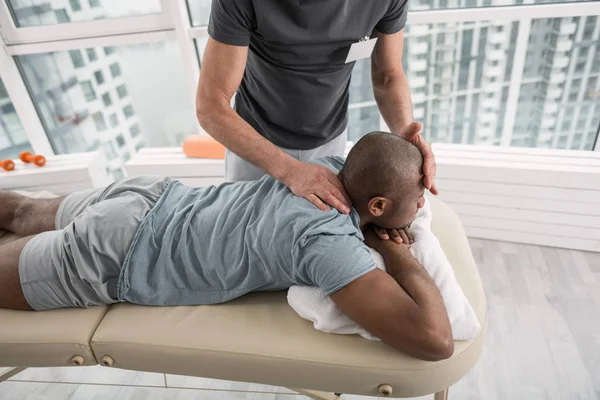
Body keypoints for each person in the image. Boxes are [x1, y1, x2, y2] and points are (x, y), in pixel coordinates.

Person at [0, 132, 452, 361]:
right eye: (418, 199)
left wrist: (405, 151)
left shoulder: (331, 168)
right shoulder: (329, 243)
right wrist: (399, 255)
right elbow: (435, 341)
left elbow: (379, 159)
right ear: (377, 203)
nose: (421, 206)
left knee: (19, 212)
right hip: (120, 249)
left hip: (151, 196)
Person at [196, 0, 439, 218]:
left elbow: (388, 76)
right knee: (247, 239)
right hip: (255, 146)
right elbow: (210, 106)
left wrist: (406, 133)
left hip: (330, 141)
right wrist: (291, 172)